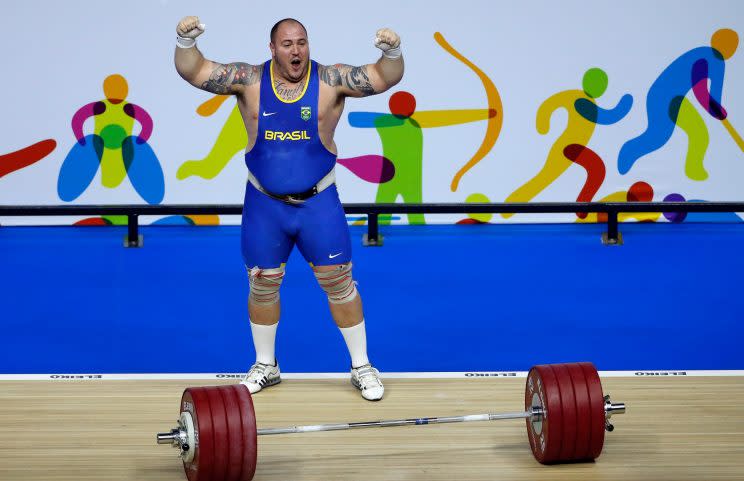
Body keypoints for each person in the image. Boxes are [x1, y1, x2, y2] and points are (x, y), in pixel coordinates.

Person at [174, 16, 404, 401]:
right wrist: (184, 43)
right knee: (262, 284)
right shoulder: (248, 80)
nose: (296, 51)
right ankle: (266, 365)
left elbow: (385, 76)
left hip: (318, 205)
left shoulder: (331, 81)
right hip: (265, 206)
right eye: (287, 44)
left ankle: (362, 365)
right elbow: (195, 70)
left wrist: (392, 51)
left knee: (339, 282)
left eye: (302, 42)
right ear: (272, 49)